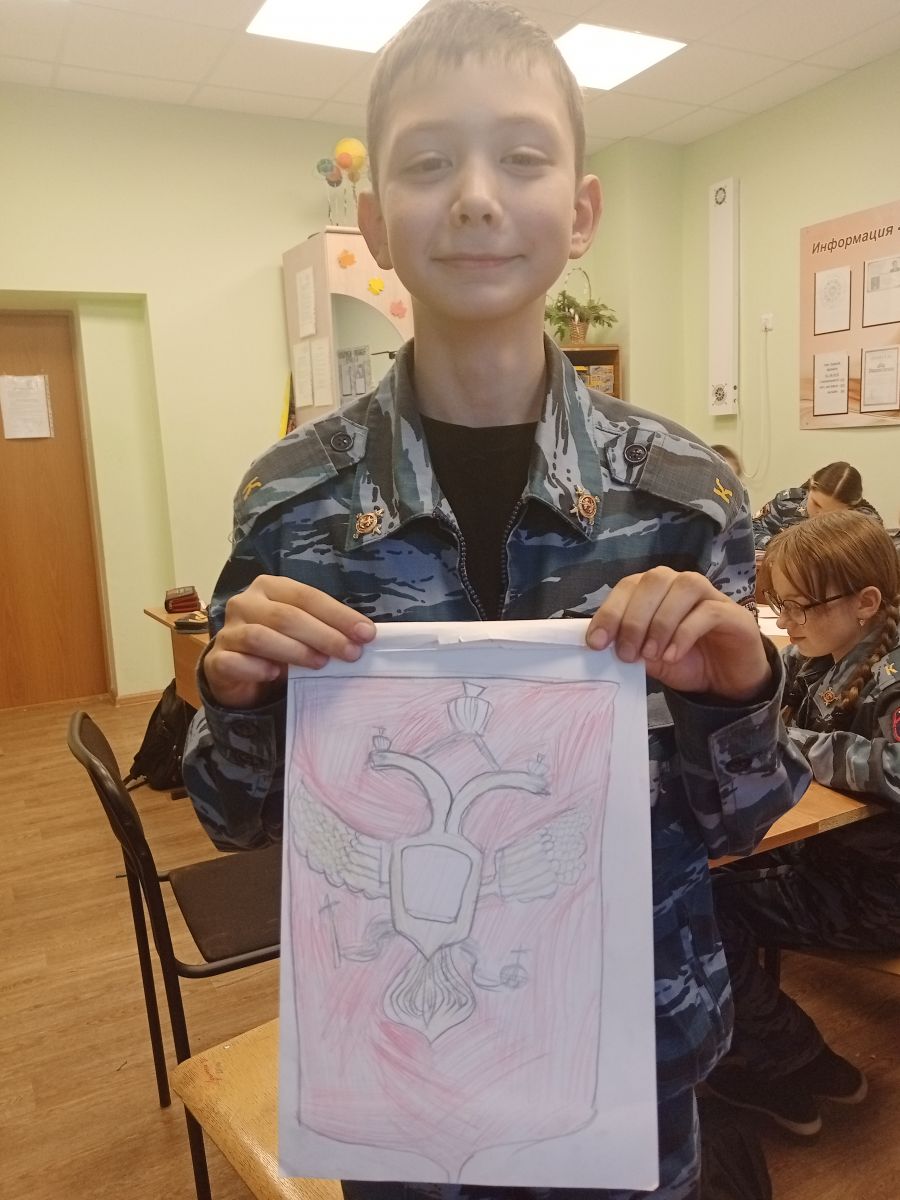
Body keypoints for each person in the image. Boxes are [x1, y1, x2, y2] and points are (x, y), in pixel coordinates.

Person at [182, 3, 808, 1197]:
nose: (475, 197)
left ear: (581, 211)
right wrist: (237, 696)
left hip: (626, 1062)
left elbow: (738, 828)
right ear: (375, 223)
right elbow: (236, 821)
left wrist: (740, 690)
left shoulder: (684, 495)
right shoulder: (292, 503)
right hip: (393, 1071)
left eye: (522, 157)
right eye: (428, 163)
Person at [708, 510, 900, 1136]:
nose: (786, 621)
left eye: (799, 606)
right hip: (835, 860)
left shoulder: (891, 678)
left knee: (701, 911)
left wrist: (804, 744)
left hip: (877, 891)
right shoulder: (817, 656)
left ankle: (794, 1058)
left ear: (865, 603)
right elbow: (762, 703)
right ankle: (768, 1051)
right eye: (778, 605)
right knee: (694, 880)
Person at [752, 461, 881, 551]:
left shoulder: (864, 523)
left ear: (850, 508)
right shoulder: (787, 503)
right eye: (816, 504)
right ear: (810, 488)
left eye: (832, 513)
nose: (819, 515)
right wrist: (779, 547)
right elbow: (752, 529)